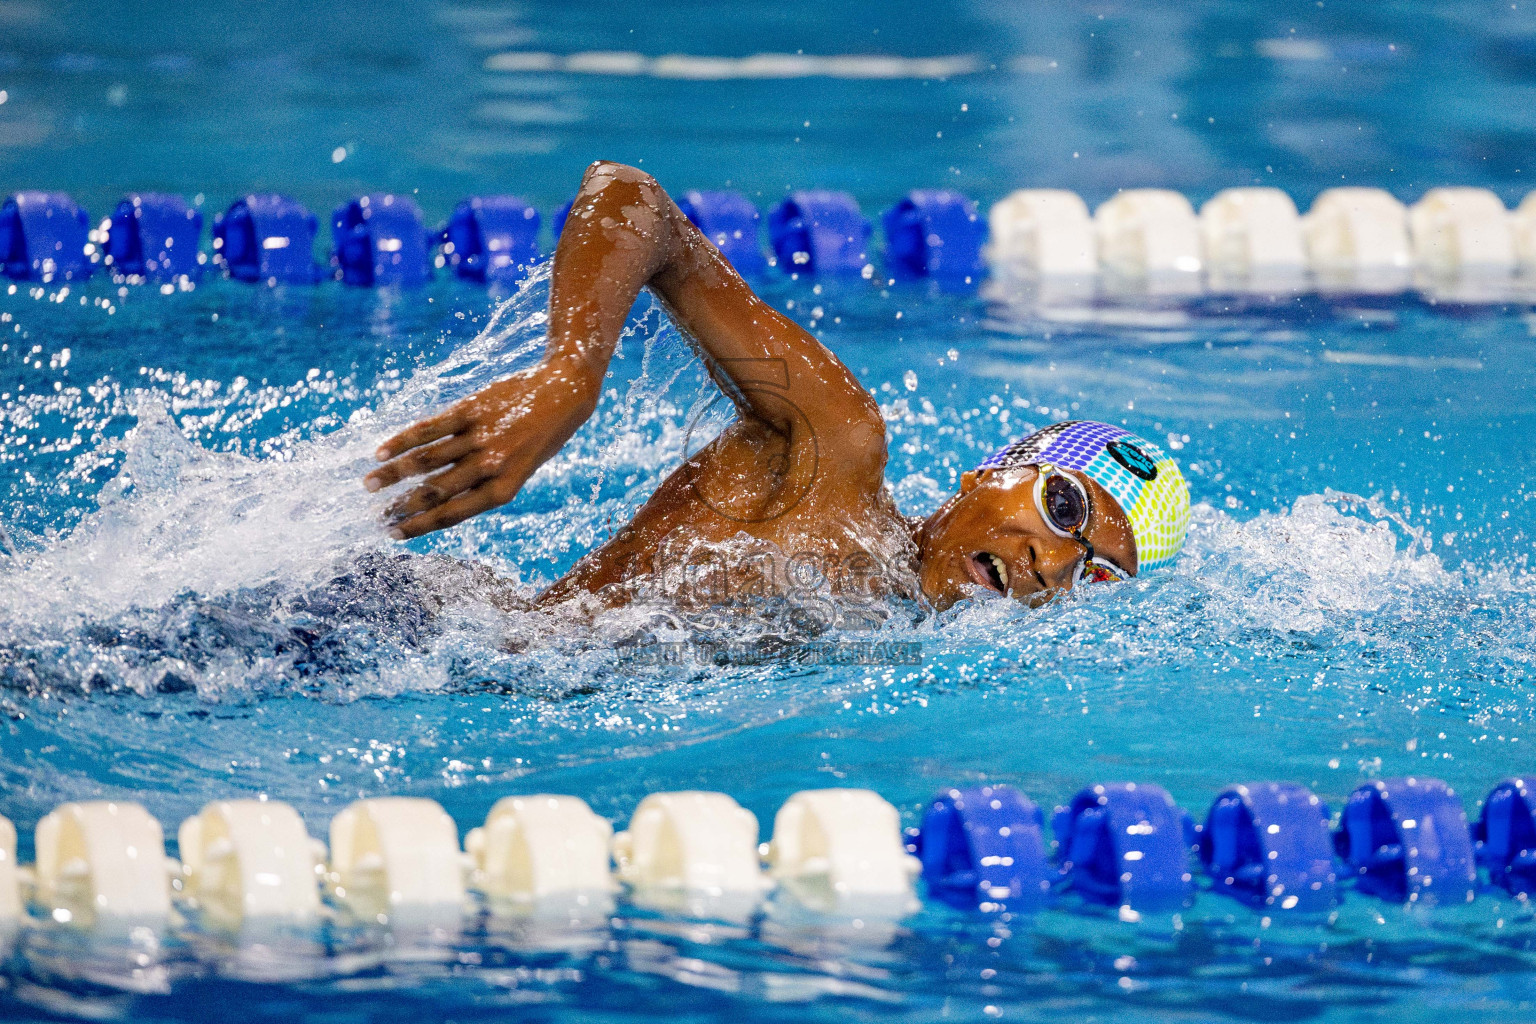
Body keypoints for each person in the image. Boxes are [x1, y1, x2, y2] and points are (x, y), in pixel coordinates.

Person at [363, 162, 1190, 613]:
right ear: (989, 472)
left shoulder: (892, 640)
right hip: (379, 630)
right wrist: (571, 374)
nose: (1053, 564)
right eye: (1066, 509)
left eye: (1097, 572)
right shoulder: (832, 457)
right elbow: (633, 201)